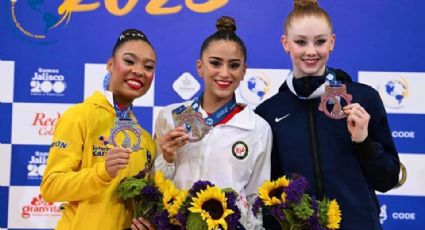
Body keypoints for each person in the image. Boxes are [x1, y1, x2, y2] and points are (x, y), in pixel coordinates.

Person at [255, 0, 400, 229]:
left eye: (320, 41)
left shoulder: (363, 98)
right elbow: (267, 193)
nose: (311, 51)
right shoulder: (269, 112)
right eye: (300, 42)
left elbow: (388, 180)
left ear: (331, 42)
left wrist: (363, 141)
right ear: (285, 43)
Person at [151, 16, 272, 229]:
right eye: (215, 63)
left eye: (234, 65)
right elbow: (154, 186)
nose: (224, 73)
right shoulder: (170, 116)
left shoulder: (258, 128)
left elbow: (256, 198)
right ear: (200, 67)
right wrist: (168, 158)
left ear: (244, 71)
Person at [40, 28, 157, 230]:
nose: (139, 71)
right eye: (129, 61)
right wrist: (102, 173)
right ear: (110, 64)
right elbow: (51, 187)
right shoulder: (80, 116)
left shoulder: (145, 139)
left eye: (148, 66)